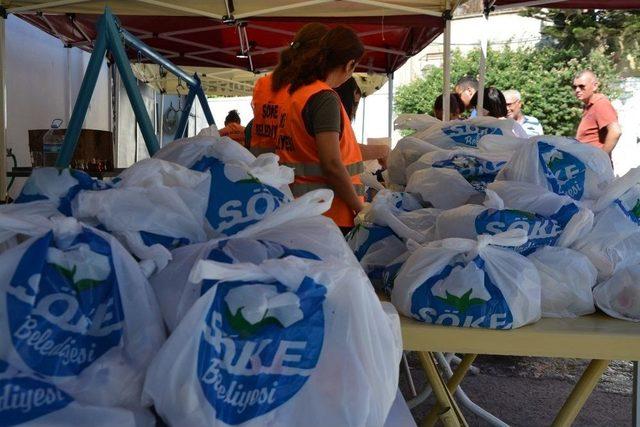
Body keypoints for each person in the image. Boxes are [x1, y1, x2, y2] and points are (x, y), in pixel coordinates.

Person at [276, 26, 365, 233]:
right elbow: (332, 164)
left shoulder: (295, 94)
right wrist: (361, 208)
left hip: (300, 209)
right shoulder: (324, 98)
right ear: (350, 64)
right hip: (331, 214)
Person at [250, 23, 330, 156]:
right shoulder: (311, 90)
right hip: (293, 174)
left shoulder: (262, 84)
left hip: (260, 169)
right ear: (321, 55)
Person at [335, 76, 389, 168]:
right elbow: (341, 148)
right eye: (355, 103)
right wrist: (383, 151)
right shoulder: (331, 114)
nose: (354, 110)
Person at [573, 70, 621, 154]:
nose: (577, 90)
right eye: (575, 87)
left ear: (594, 86)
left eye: (581, 86)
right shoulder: (589, 106)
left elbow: (615, 132)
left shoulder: (600, 103)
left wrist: (601, 157)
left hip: (595, 165)